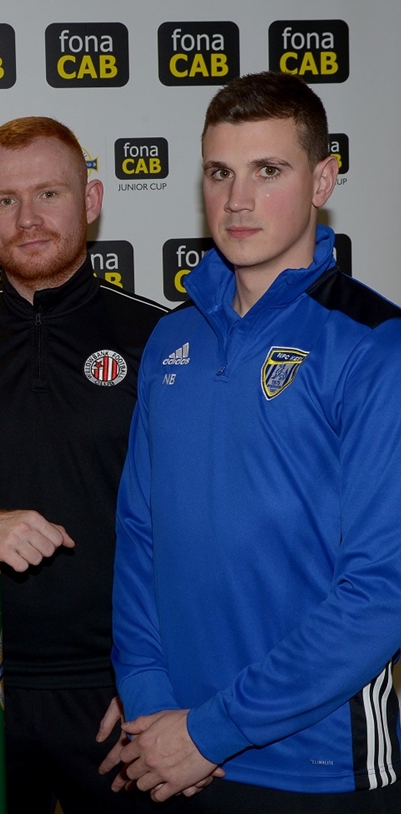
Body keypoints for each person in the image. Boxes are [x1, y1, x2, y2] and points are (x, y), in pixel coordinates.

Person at [113, 71, 400, 812]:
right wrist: (150, 705)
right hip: (170, 751)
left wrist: (210, 731)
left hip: (316, 766)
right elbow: (140, 536)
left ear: (321, 179)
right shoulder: (171, 337)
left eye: (268, 170)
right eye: (219, 172)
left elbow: (380, 593)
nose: (237, 200)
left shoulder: (375, 346)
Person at [0, 116, 168, 812]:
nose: (29, 218)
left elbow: (203, 520)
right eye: (6, 201)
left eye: (50, 193)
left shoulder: (160, 335)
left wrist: (168, 680)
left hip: (121, 686)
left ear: (92, 200)